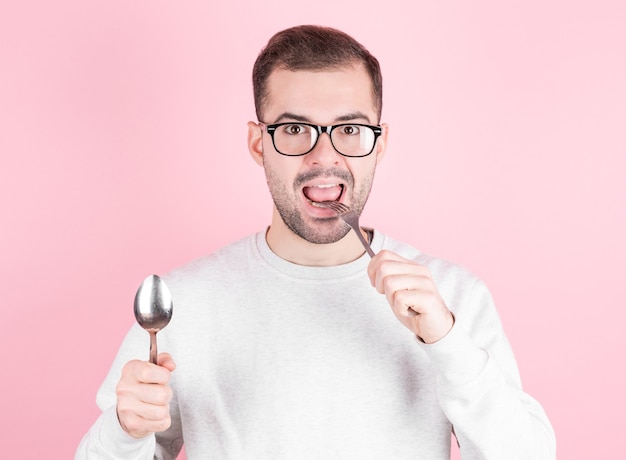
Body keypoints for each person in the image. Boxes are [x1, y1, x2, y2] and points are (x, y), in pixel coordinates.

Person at [76, 25, 556, 459]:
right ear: (258, 143)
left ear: (380, 142)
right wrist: (124, 430)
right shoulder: (182, 304)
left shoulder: (452, 296)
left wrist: (447, 342)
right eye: (294, 129)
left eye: (349, 129)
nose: (324, 155)